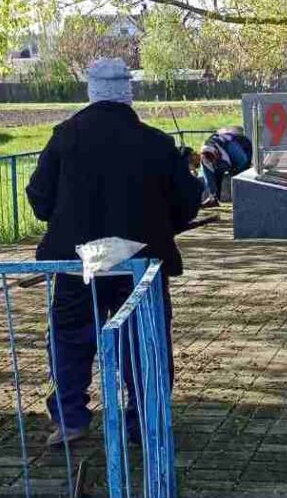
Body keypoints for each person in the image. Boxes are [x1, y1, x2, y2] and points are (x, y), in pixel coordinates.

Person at [26, 58, 202, 447]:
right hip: (139, 262)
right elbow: (186, 204)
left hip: (78, 263)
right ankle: (145, 422)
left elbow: (39, 198)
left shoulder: (65, 137)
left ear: (92, 91)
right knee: (144, 342)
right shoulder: (156, 143)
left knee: (70, 341)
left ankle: (70, 419)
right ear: (127, 93)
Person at [198, 128, 253, 207]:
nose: (212, 163)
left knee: (241, 176)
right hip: (222, 153)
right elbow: (209, 177)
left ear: (216, 154)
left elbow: (243, 161)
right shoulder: (204, 158)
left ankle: (243, 198)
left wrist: (235, 171)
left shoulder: (232, 148)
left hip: (242, 146)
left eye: (213, 160)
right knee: (216, 173)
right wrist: (212, 193)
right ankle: (213, 199)